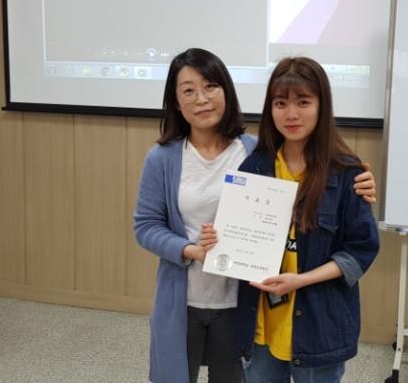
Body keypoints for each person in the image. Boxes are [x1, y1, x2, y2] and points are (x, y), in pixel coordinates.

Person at [133, 48, 376, 383]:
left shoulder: (252, 152)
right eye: (188, 90)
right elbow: (145, 226)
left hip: (252, 304)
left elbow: (356, 241)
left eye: (210, 86)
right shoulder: (177, 159)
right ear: (175, 101)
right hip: (203, 300)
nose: (201, 99)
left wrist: (361, 182)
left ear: (226, 92)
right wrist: (193, 250)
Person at [204, 56, 380, 383]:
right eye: (280, 103)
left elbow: (361, 250)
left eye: (303, 102)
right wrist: (216, 240)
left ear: (321, 105)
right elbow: (235, 241)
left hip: (319, 326)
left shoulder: (347, 173)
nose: (291, 114)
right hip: (260, 324)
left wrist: (300, 280)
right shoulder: (255, 168)